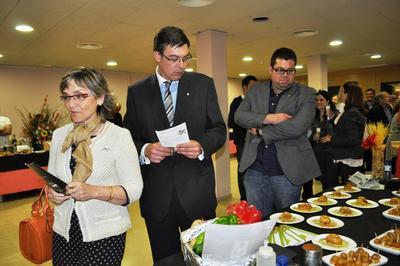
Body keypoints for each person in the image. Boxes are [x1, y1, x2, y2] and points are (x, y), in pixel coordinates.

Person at [123, 26, 226, 263]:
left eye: (186, 58)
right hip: (157, 196)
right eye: (174, 59)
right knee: (165, 261)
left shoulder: (203, 85)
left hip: (196, 192)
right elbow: (130, 133)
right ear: (157, 56)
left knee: (205, 259)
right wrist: (145, 150)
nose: (182, 65)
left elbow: (219, 129)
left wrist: (201, 146)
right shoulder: (137, 91)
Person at [47, 67, 143, 266]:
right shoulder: (59, 136)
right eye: (66, 97)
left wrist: (93, 192)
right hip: (64, 232)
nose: (71, 104)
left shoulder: (119, 137)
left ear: (100, 98)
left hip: (104, 235)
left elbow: (134, 190)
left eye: (79, 96)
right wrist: (52, 193)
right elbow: (52, 179)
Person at [234, 47, 321, 219]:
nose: (285, 75)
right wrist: (270, 118)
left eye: (290, 70)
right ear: (270, 69)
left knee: (286, 222)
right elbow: (240, 116)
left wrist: (260, 130)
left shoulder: (306, 94)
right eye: (280, 70)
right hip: (254, 171)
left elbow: (298, 127)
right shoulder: (256, 90)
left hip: (286, 172)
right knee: (257, 222)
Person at [228, 75, 258, 201]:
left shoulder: (258, 102)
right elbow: (231, 122)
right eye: (252, 87)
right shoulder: (237, 102)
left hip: (257, 141)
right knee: (243, 169)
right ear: (244, 88)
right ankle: (244, 198)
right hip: (243, 142)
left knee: (256, 170)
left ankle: (256, 197)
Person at [303, 90, 338, 198]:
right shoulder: (314, 115)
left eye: (321, 100)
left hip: (330, 153)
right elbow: (309, 133)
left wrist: (331, 138)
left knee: (329, 183)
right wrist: (314, 137)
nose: (318, 102)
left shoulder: (335, 115)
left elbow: (341, 133)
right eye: (316, 100)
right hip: (316, 152)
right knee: (316, 180)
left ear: (327, 101)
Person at [329, 84, 366, 184]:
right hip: (349, 156)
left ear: (348, 94)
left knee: (352, 189)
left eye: (342, 91)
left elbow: (352, 139)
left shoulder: (352, 112)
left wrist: (331, 139)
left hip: (350, 158)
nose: (340, 93)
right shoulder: (352, 111)